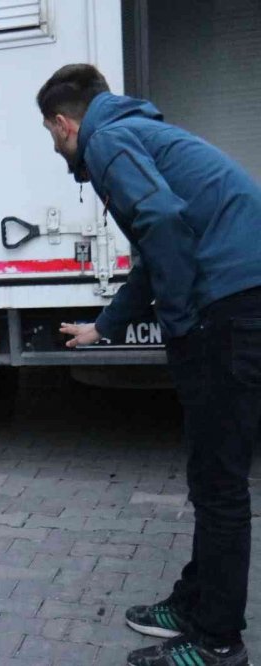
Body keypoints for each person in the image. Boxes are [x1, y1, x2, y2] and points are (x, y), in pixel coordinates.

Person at [38, 64, 261, 666]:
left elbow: (162, 223)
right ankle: (194, 604)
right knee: (208, 475)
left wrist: (183, 321)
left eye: (53, 136)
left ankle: (218, 643)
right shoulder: (135, 132)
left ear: (64, 123)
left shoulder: (106, 140)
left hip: (231, 307)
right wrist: (103, 326)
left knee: (218, 485)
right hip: (236, 301)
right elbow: (153, 249)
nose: (60, 149)